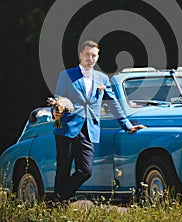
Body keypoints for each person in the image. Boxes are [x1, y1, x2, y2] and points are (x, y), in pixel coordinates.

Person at [52, 40, 145, 201]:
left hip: (89, 130)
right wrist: (56, 111)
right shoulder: (67, 74)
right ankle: (59, 204)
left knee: (86, 170)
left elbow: (114, 103)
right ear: (81, 55)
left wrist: (127, 126)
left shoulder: (102, 78)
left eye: (93, 55)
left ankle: (58, 198)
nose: (90, 58)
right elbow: (58, 98)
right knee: (63, 169)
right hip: (67, 128)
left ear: (98, 57)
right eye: (87, 54)